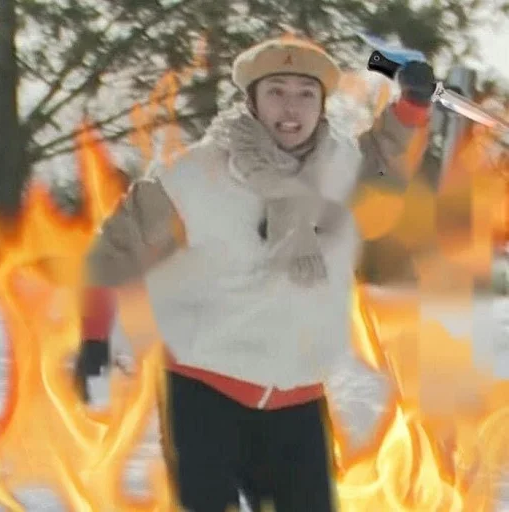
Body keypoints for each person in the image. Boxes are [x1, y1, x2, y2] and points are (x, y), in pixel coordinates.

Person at [87, 37, 434, 512]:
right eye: (276, 92)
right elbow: (116, 248)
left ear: (321, 105)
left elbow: (383, 155)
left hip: (298, 400)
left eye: (305, 94)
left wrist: (413, 102)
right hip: (204, 395)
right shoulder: (196, 175)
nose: (291, 108)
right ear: (250, 100)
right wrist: (94, 335)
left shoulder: (341, 166)